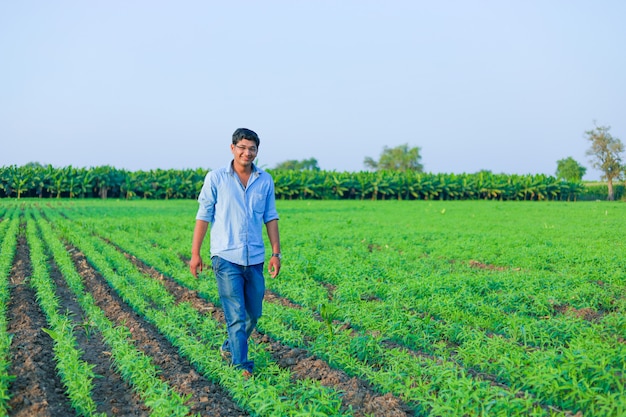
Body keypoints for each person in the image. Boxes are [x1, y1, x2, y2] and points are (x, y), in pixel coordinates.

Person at [190, 128, 281, 378]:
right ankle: (241, 366)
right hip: (225, 257)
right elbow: (203, 215)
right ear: (232, 148)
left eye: (252, 148)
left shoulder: (265, 180)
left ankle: (229, 346)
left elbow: (270, 216)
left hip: (255, 258)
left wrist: (276, 253)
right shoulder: (216, 178)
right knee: (236, 315)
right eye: (242, 147)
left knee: (254, 314)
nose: (247, 152)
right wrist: (195, 253)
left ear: (256, 152)